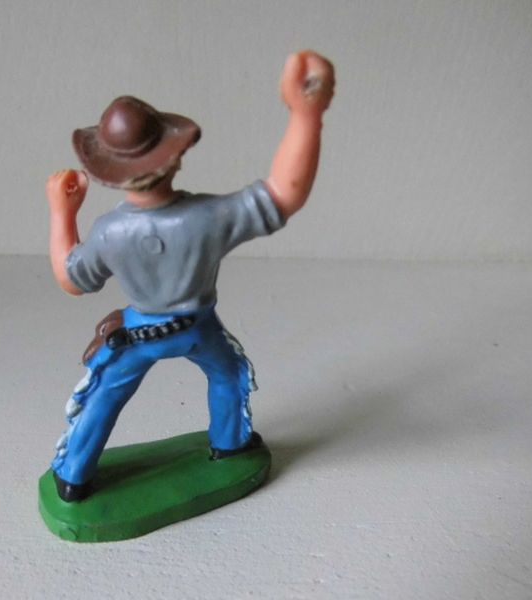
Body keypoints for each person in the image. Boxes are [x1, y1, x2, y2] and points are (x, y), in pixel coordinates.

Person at [45, 51, 335, 502]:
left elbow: (71, 278)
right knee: (229, 375)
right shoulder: (207, 217)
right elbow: (284, 195)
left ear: (109, 174)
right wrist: (306, 114)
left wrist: (62, 212)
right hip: (198, 328)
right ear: (175, 157)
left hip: (138, 334)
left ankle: (72, 475)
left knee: (103, 395)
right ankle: (230, 443)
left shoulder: (108, 232)